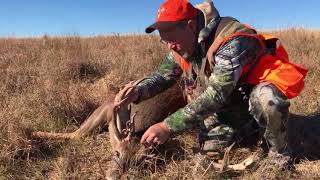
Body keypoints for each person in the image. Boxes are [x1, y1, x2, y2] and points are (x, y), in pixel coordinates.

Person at [117, 0, 308, 164]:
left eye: (172, 40)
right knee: (207, 152)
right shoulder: (183, 45)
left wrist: (166, 126)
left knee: (267, 99)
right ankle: (248, 133)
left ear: (191, 26)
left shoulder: (231, 39)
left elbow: (216, 94)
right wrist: (139, 92)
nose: (170, 47)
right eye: (164, 42)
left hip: (255, 98)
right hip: (231, 108)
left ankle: (279, 155)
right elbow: (161, 77)